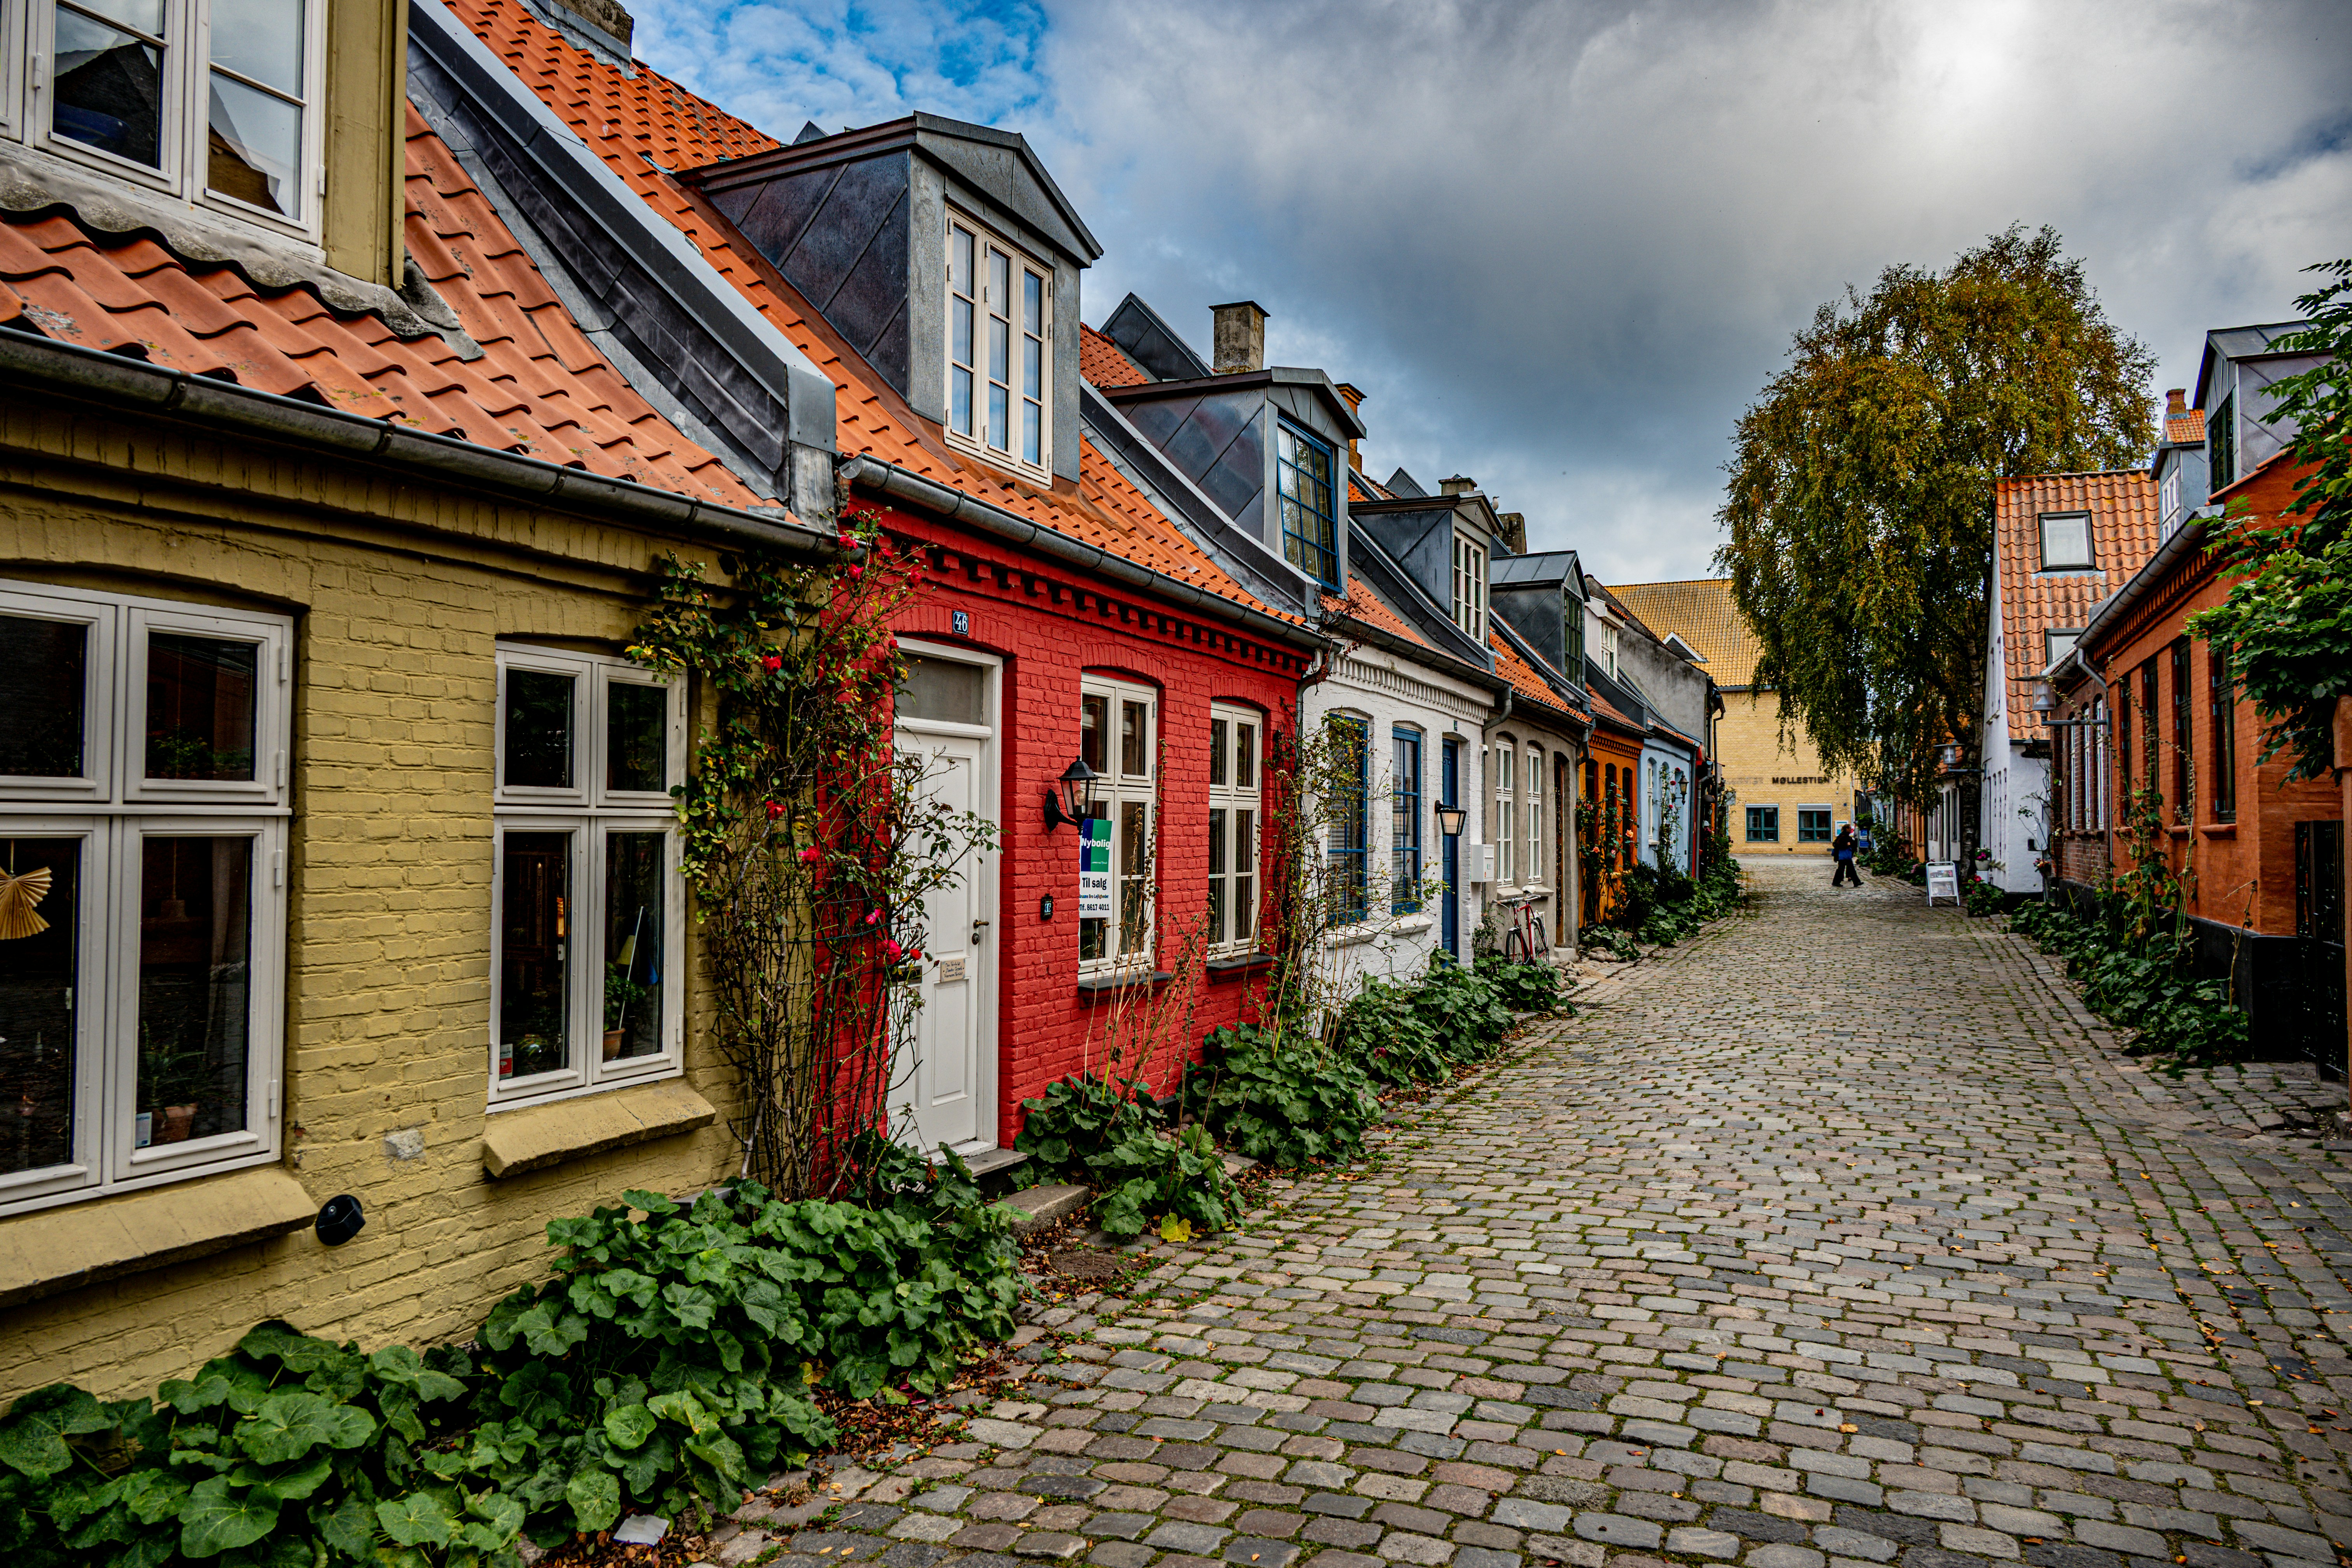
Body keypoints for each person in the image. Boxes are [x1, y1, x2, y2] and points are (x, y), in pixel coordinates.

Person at [1831, 822, 1861, 887]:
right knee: (1841, 870)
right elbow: (1837, 845)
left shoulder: (1847, 836)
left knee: (1851, 869)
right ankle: (1836, 882)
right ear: (1847, 829)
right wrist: (1846, 845)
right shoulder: (1843, 836)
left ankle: (1857, 882)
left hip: (1846, 856)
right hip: (1843, 856)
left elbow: (1853, 844)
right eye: (1850, 829)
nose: (1851, 830)